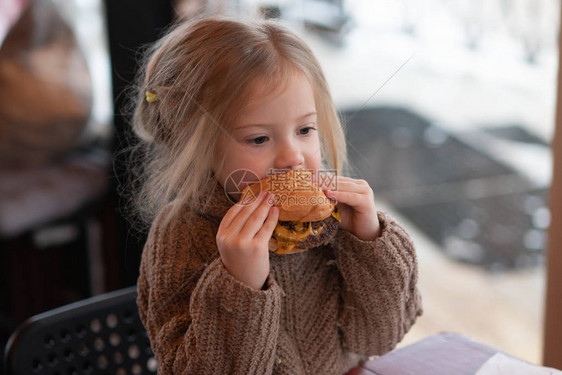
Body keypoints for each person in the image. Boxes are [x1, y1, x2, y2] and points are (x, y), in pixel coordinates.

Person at [131, 14, 422, 375]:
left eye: (304, 129)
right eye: (258, 138)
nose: (292, 157)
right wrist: (240, 284)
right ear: (197, 145)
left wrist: (369, 243)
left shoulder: (331, 222)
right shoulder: (181, 235)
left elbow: (377, 341)